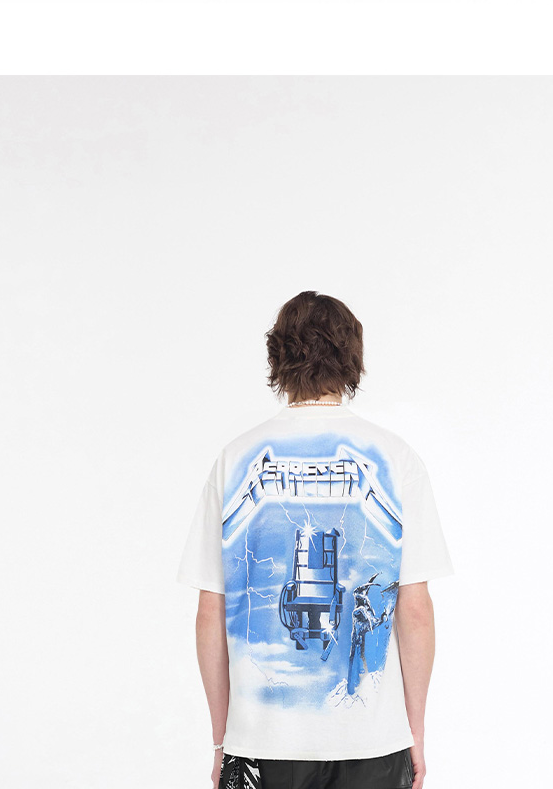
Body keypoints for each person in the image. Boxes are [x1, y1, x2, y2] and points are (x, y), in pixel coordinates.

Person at [184, 275, 449, 780]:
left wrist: (223, 740)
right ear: (352, 358)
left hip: (261, 745)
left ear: (277, 357)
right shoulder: (395, 459)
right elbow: (414, 609)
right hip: (373, 743)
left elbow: (209, 611)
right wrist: (412, 730)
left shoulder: (236, 460)